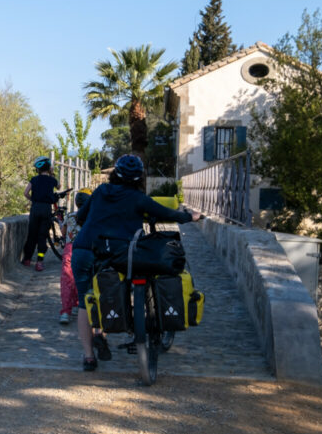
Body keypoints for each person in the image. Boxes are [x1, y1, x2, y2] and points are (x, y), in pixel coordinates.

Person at [71, 154, 202, 371]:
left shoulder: (101, 191)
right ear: (138, 178)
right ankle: (119, 328)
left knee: (86, 299)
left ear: (115, 173)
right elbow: (166, 213)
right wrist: (191, 217)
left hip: (84, 248)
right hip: (114, 253)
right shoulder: (137, 198)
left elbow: (80, 217)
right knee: (112, 287)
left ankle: (88, 357)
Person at [58, 188, 91, 325]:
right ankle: (80, 304)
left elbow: (63, 232)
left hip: (70, 250)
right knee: (82, 278)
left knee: (67, 279)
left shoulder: (70, 216)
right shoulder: (92, 218)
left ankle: (66, 311)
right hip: (86, 250)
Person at [21, 156, 59, 271]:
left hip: (35, 208)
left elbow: (25, 193)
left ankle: (27, 259)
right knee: (42, 236)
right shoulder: (52, 180)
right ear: (49, 168)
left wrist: (33, 199)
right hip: (46, 209)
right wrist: (52, 174)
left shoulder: (34, 179)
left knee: (32, 234)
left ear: (37, 169)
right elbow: (59, 187)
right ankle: (39, 261)